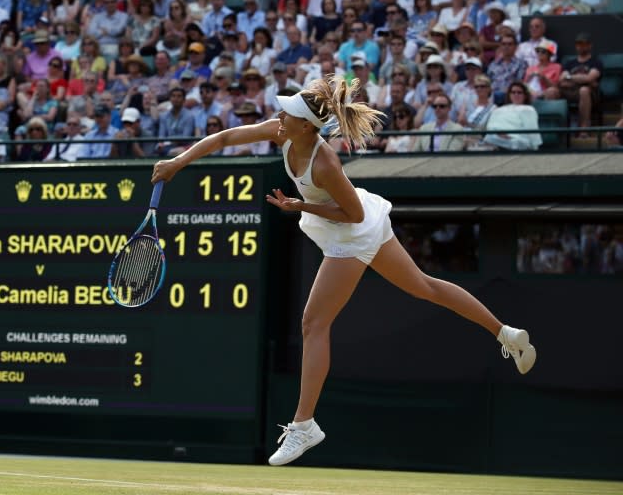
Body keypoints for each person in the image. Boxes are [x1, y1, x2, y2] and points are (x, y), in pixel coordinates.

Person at [151, 75, 537, 465]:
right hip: (355, 224)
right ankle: (506, 333)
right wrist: (178, 162)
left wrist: (301, 207)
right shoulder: (282, 131)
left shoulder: (326, 163)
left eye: (288, 113)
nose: (279, 116)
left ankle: (304, 425)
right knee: (425, 287)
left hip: (351, 231)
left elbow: (351, 215)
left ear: (307, 126)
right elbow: (223, 139)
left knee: (313, 324)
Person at [482, 80, 542, 151]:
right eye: (513, 92)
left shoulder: (528, 109)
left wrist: (510, 135)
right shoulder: (499, 110)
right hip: (496, 137)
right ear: (509, 94)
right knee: (489, 138)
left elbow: (531, 131)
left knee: (516, 142)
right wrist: (499, 134)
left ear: (525, 95)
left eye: (519, 92)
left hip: (517, 139)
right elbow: (491, 126)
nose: (516, 95)